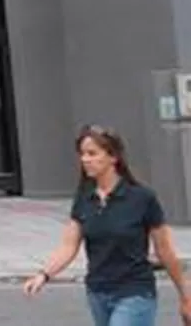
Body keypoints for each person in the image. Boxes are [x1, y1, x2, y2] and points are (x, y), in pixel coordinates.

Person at [24, 125, 191, 326]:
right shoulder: (85, 199)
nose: (85, 159)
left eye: (92, 153)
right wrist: (44, 275)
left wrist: (185, 294)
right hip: (98, 292)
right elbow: (68, 246)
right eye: (83, 154)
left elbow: (165, 251)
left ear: (113, 157)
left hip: (135, 292)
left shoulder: (141, 198)